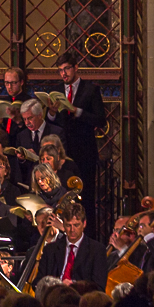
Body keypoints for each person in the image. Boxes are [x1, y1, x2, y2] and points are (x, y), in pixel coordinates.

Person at [46, 52, 105, 229]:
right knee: (62, 194)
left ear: (76, 67)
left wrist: (77, 111)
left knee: (85, 197)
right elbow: (51, 123)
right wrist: (52, 113)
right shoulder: (56, 90)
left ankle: (87, 234)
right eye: (60, 70)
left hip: (84, 151)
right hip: (63, 152)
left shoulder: (90, 89)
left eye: (66, 69)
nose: (64, 74)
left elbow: (100, 120)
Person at [36, 202, 107, 287]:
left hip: (81, 294)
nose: (72, 230)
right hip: (55, 293)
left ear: (84, 224)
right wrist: (58, 285)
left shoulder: (97, 250)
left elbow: (99, 286)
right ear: (63, 225)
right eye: (68, 225)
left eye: (76, 225)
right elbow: (38, 283)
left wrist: (74, 285)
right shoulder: (50, 249)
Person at [0, 68, 33, 134]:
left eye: (13, 83)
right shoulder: (4, 101)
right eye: (7, 83)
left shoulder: (29, 102)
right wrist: (0, 123)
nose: (9, 87)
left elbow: (33, 129)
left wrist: (19, 122)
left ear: (21, 82)